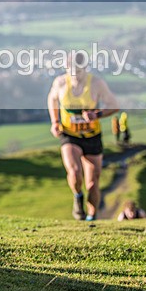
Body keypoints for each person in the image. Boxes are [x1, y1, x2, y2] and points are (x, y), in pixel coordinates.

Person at [47, 52, 119, 221]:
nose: (75, 75)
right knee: (74, 171)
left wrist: (98, 114)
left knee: (93, 183)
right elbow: (52, 99)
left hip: (92, 136)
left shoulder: (96, 84)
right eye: (71, 70)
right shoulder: (60, 83)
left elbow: (114, 106)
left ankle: (92, 218)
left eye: (78, 71)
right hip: (70, 134)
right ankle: (77, 197)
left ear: (85, 68)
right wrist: (55, 122)